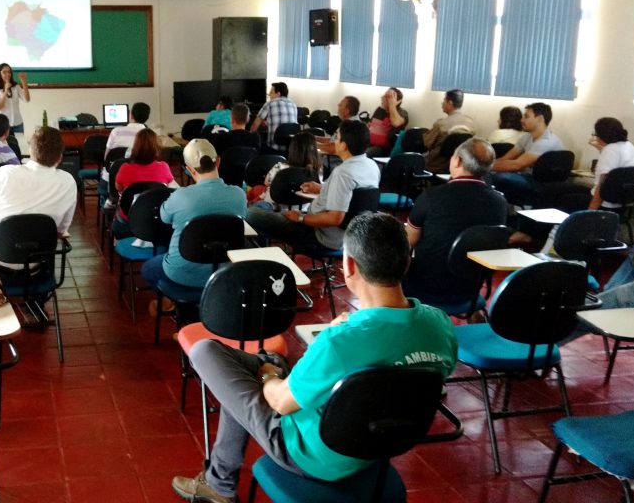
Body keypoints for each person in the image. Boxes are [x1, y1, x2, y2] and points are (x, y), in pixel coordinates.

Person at [171, 212, 458, 503]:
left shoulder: (339, 342)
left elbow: (280, 403)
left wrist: (269, 376)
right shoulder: (439, 325)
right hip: (377, 445)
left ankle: (219, 486)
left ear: (349, 265)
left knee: (206, 352)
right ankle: (218, 481)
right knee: (252, 374)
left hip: (309, 456)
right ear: (407, 260)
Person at [0, 126, 77, 275]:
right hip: (38, 267)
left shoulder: (7, 174)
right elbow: (60, 231)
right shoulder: (69, 181)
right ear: (60, 157)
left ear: (31, 152)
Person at [246, 120, 379, 252]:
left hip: (319, 235)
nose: (333, 142)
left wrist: (301, 218)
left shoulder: (343, 173)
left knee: (251, 213)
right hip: (350, 237)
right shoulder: (372, 166)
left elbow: (335, 218)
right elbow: (353, 197)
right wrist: (322, 188)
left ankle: (259, 255)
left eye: (337, 139)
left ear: (344, 146)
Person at [402, 138, 508, 302]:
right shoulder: (500, 201)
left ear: (457, 161)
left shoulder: (432, 196)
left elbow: (410, 239)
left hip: (425, 285)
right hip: (469, 289)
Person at [140, 139, 246, 291]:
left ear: (189, 170)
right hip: (224, 271)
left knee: (149, 269)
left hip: (181, 272)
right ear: (218, 162)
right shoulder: (239, 195)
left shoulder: (180, 196)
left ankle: (172, 302)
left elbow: (164, 218)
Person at [489, 102, 564, 206]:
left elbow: (516, 165)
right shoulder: (526, 137)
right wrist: (487, 167)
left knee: (499, 177)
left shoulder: (546, 141)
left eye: (526, 117)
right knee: (489, 175)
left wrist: (483, 166)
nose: (521, 120)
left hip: (541, 183)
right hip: (527, 177)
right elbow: (506, 159)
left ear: (540, 119)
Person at [112, 128, 176, 238]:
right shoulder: (164, 167)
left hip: (129, 219)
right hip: (156, 219)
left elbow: (118, 188)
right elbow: (169, 186)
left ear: (135, 147)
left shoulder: (125, 168)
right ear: (157, 148)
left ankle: (118, 242)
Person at [248, 131, 321, 211]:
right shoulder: (315, 175)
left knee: (256, 192)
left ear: (292, 150)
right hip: (302, 211)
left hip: (274, 210)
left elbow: (266, 182)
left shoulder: (279, 167)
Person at [588, 116, 634, 210]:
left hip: (605, 203)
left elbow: (603, 185)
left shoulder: (610, 149)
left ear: (601, 135)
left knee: (566, 197)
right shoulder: (631, 147)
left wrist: (590, 211)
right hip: (625, 201)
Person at [423, 89, 474, 173]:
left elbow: (427, 143)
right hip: (460, 165)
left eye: (444, 100)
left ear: (450, 103)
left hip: (436, 164)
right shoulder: (471, 123)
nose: (442, 103)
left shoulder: (441, 124)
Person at [250, 82, 298, 153]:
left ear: (278, 94)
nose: (269, 94)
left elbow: (255, 125)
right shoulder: (294, 105)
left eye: (271, 92)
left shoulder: (270, 104)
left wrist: (248, 137)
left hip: (273, 149)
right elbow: (285, 125)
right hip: (290, 149)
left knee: (256, 146)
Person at [366, 87, 409, 157]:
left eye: (387, 97)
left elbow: (395, 123)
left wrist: (392, 105)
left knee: (363, 154)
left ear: (395, 100)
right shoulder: (379, 110)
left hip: (385, 148)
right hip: (369, 143)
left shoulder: (402, 113)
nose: (382, 97)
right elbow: (370, 125)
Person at [0, 62, 30, 134]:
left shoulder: (15, 86)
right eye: (4, 72)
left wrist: (24, 82)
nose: (7, 74)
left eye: (9, 72)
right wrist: (5, 91)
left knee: (18, 144)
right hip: (2, 125)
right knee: (3, 145)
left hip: (17, 123)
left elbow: (27, 99)